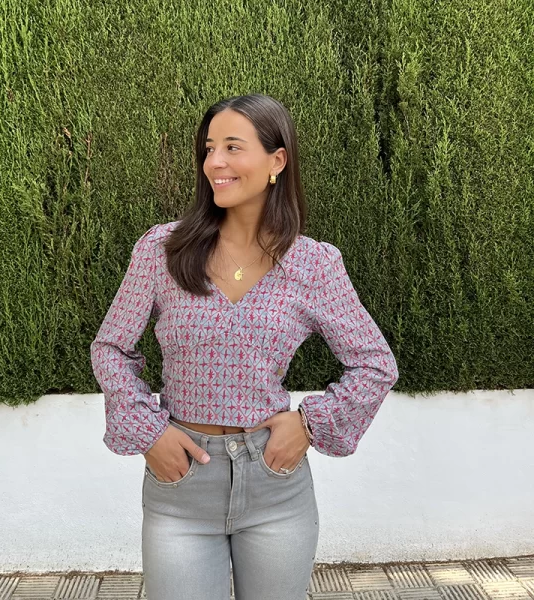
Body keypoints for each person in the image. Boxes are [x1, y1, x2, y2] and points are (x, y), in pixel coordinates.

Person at [90, 93, 399, 600]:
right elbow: (111, 348)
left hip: (276, 485)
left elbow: (374, 363)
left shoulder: (313, 264)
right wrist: (149, 433)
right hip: (182, 485)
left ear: (277, 161)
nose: (215, 162)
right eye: (209, 148)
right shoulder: (163, 250)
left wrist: (309, 424)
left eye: (233, 147)